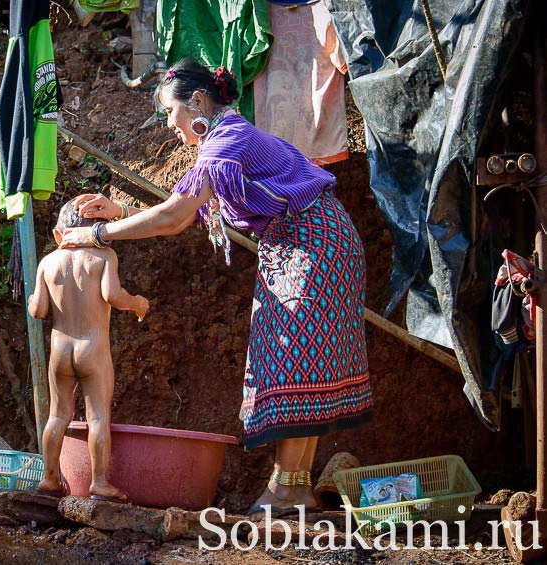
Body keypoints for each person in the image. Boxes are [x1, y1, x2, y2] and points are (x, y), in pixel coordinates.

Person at [59, 59, 373, 519]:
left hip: (314, 245)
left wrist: (97, 235)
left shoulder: (227, 140)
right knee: (305, 364)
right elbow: (185, 207)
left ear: (199, 102)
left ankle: (286, 490)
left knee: (296, 362)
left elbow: (175, 216)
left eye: (171, 112)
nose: (169, 125)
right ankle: (295, 487)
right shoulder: (225, 140)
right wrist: (120, 210)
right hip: (311, 242)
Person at [28, 198, 150, 503]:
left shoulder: (48, 262)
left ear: (59, 234)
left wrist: (31, 297)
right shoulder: (104, 256)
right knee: (97, 417)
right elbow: (112, 295)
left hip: (60, 349)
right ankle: (99, 482)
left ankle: (50, 479)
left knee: (58, 415)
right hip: (92, 348)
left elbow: (39, 310)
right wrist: (137, 303)